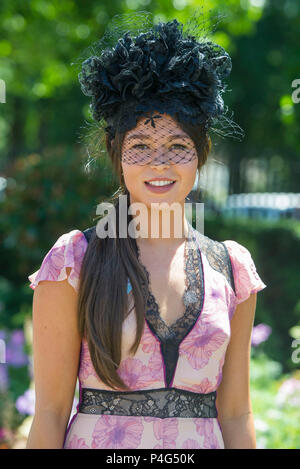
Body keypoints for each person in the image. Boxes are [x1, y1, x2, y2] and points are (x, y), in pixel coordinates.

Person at [26, 10, 266, 449]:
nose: (160, 162)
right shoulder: (72, 261)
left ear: (202, 154)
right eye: (140, 146)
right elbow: (51, 412)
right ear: (115, 153)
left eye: (178, 145)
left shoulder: (232, 268)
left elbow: (235, 413)